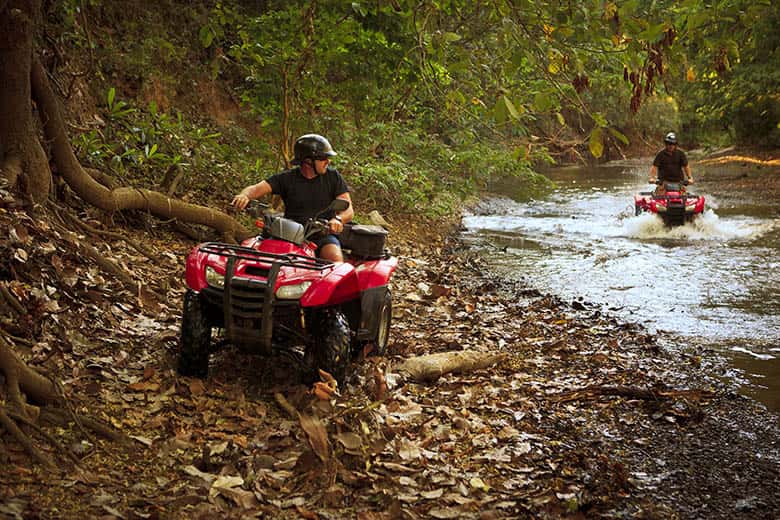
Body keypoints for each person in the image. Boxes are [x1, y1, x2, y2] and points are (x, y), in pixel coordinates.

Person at [232, 134, 353, 262]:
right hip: (287, 234)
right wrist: (244, 195)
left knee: (335, 259)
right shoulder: (287, 178)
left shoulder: (333, 177)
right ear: (308, 161)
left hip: (322, 234)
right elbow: (256, 189)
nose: (328, 161)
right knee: (257, 256)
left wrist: (338, 220)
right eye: (323, 158)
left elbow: (348, 209)